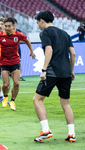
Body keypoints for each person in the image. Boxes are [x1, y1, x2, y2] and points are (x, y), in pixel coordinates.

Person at [33, 10, 76, 143]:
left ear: (42, 20)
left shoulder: (45, 32)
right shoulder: (65, 33)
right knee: (66, 103)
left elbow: (49, 50)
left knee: (37, 99)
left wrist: (44, 69)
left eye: (38, 22)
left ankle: (45, 130)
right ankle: (71, 134)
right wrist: (71, 71)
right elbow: (73, 54)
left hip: (52, 72)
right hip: (66, 73)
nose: (38, 25)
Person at [0, 17, 35, 110]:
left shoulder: (18, 34)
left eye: (9, 26)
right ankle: (5, 96)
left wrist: (31, 51)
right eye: (5, 26)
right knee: (5, 84)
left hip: (15, 61)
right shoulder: (0, 35)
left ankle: (12, 100)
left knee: (16, 83)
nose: (7, 28)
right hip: (4, 62)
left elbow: (26, 40)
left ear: (14, 26)